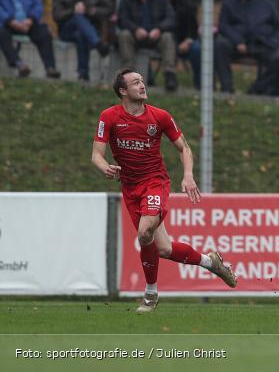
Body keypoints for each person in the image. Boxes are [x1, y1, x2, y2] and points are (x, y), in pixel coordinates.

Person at [92, 68, 237, 313]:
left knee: (144, 231)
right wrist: (105, 167)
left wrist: (188, 176)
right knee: (164, 249)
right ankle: (210, 262)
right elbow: (96, 154)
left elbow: (184, 148)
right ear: (122, 91)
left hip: (154, 182)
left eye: (142, 81)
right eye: (135, 82)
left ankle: (150, 295)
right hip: (130, 187)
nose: (142, 85)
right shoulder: (109, 117)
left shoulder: (160, 117)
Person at [215, 0, 279, 96]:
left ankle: (256, 90)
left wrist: (274, 41)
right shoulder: (228, 4)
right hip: (237, 45)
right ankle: (227, 89)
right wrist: (238, 41)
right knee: (220, 45)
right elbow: (223, 26)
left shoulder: (266, 3)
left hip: (262, 44)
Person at [116, 0, 178, 91]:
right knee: (124, 35)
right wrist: (135, 29)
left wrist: (159, 29)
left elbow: (171, 18)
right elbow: (121, 19)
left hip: (155, 36)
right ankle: (129, 75)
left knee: (168, 37)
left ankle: (169, 74)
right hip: (135, 37)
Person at [52, 0, 113, 81]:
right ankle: (98, 44)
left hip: (91, 29)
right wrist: (73, 11)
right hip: (67, 30)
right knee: (77, 17)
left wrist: (92, 11)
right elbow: (56, 15)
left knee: (81, 35)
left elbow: (108, 9)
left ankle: (83, 75)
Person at [0, 0, 59, 78]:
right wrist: (11, 21)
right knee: (1, 34)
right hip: (7, 23)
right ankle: (19, 64)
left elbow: (38, 6)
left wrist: (30, 20)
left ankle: (50, 68)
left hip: (28, 23)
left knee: (44, 33)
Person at [158, 0, 201, 90]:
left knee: (198, 50)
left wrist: (188, 40)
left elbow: (193, 26)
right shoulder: (153, 2)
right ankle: (149, 82)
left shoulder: (186, 3)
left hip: (182, 42)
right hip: (159, 41)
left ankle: (201, 86)